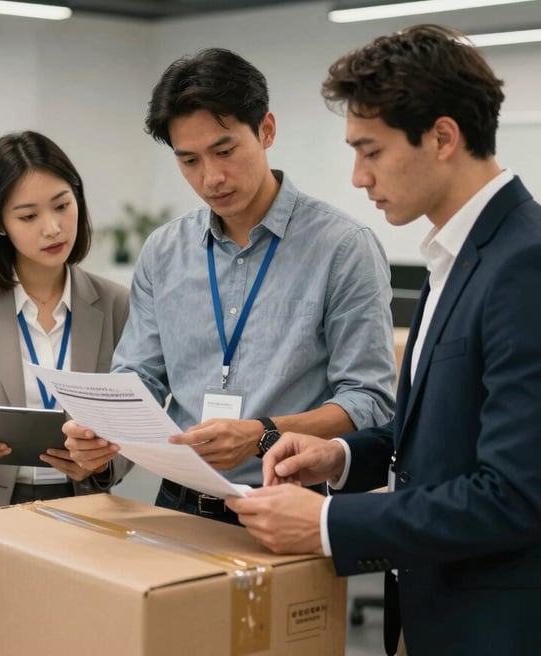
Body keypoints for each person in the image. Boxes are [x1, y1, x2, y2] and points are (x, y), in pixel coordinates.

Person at [226, 24, 541, 656]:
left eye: (371, 150)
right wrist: (339, 456)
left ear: (443, 137)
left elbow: (513, 495)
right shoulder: (455, 254)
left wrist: (325, 522)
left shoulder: (523, 264)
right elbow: (437, 437)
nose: (357, 177)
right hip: (435, 613)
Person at [64, 48, 397, 523]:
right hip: (177, 503)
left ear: (266, 130)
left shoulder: (342, 247)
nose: (211, 178)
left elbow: (367, 400)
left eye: (224, 151)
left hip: (285, 502)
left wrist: (261, 433)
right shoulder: (164, 250)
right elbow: (138, 373)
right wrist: (102, 428)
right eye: (189, 161)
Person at [0, 131, 130, 576]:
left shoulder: (115, 304)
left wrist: (107, 459)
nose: (52, 227)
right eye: (28, 215)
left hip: (85, 515)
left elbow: (130, 428)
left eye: (62, 205)